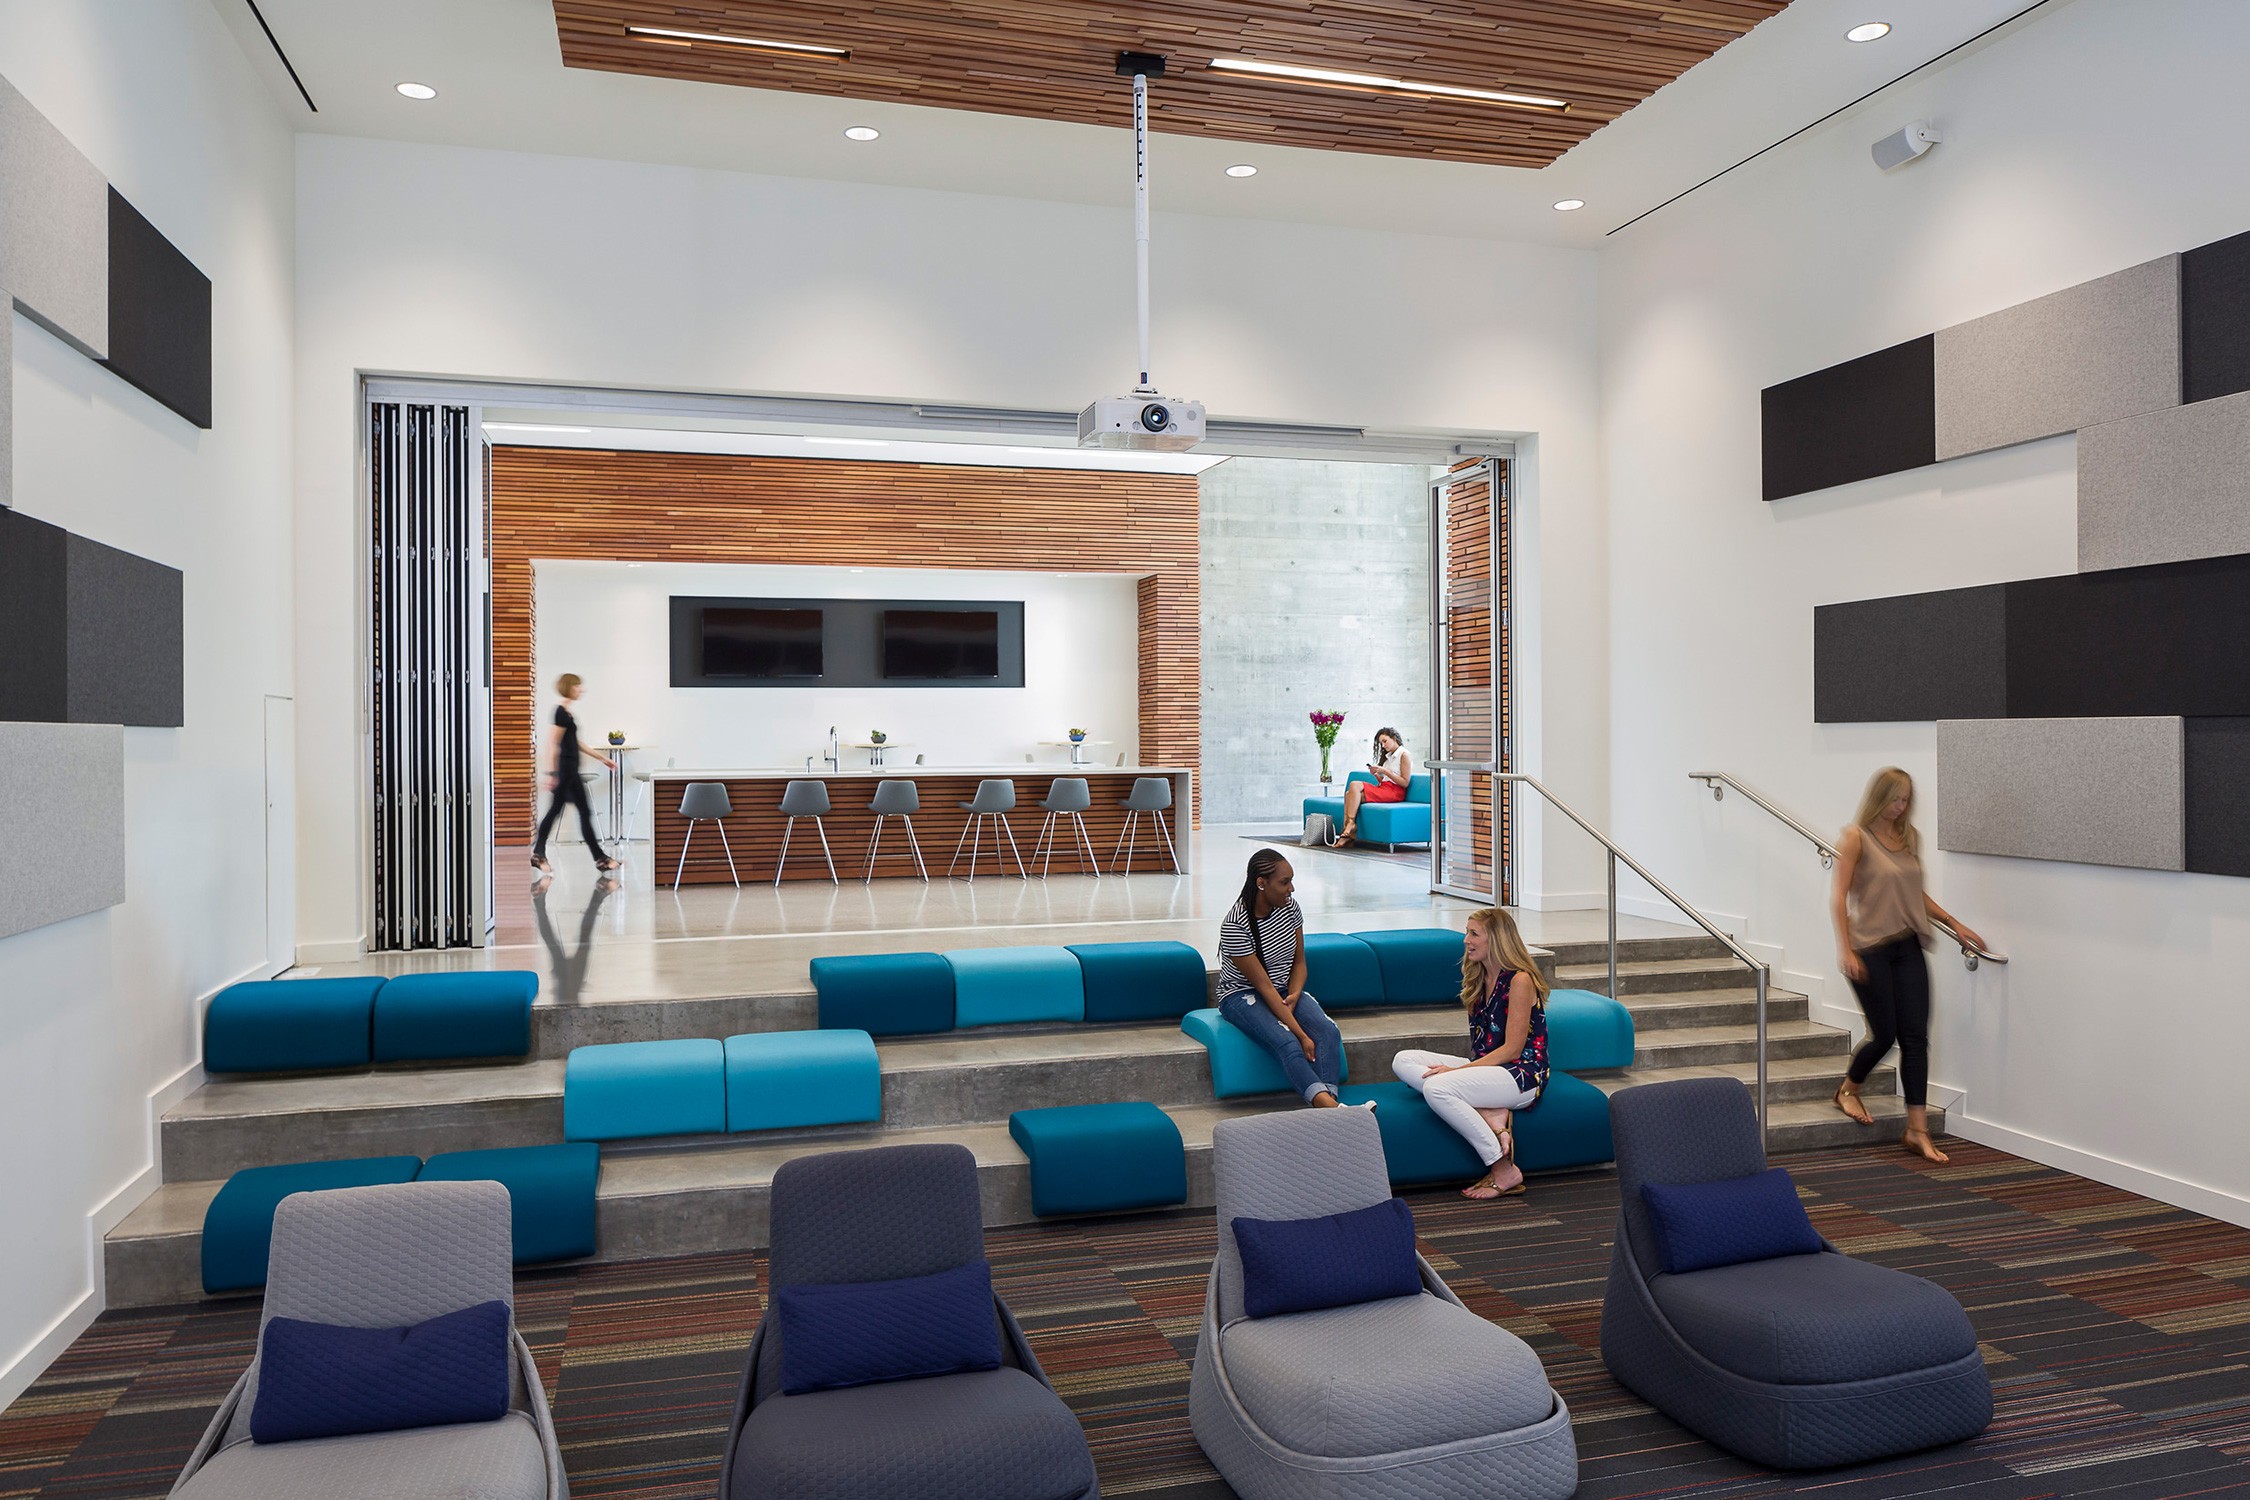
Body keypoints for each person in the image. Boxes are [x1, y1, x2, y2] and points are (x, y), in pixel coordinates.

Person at [1830, 766, 1986, 1165]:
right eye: (1896, 798)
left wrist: (1954, 923)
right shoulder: (1855, 837)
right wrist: (1845, 949)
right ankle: (1848, 1089)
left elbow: (1915, 895)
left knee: (1915, 1037)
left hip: (1907, 945)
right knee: (1884, 1035)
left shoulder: (1907, 837)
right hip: (1868, 947)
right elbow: (1838, 897)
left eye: (1906, 799)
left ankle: (1916, 1130)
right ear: (1880, 797)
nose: (1902, 806)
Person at [1392, 908, 1547, 1199]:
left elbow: (1512, 1049)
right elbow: (1482, 1047)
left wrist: (1457, 1074)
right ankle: (1489, 1111)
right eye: (1467, 932)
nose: (1466, 940)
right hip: (1487, 1068)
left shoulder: (1520, 980)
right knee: (1403, 1059)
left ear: (1497, 940)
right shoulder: (1477, 975)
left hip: (1521, 1074)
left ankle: (1503, 1167)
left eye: (1474, 933)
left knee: (1437, 1088)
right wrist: (1466, 1073)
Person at [1217, 849, 1365, 1110]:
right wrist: (1300, 1033)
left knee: (1328, 1031)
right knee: (1288, 1042)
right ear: (1261, 884)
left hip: (1284, 989)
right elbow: (1262, 986)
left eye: (1291, 880)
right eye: (1284, 882)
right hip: (1241, 994)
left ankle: (1329, 1105)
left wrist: (1295, 995)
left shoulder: (1290, 909)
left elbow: (1299, 962)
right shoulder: (1235, 925)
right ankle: (1332, 1111)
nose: (1291, 888)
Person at [531, 673, 624, 876]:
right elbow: (553, 743)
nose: (580, 690)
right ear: (568, 687)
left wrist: (602, 758)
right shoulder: (560, 713)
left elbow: (576, 743)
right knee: (574, 812)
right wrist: (551, 774)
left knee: (561, 811)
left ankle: (540, 853)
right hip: (565, 772)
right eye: (577, 686)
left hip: (570, 771)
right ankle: (599, 859)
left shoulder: (567, 713)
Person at [1332, 727, 1412, 847]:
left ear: (1394, 738)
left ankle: (1350, 827)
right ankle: (1348, 833)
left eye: (1385, 741)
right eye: (1381, 743)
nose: (1383, 745)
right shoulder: (1389, 757)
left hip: (1395, 792)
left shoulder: (1404, 754)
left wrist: (1385, 771)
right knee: (1350, 794)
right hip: (1385, 788)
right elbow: (1385, 781)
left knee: (1354, 784)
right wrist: (1377, 775)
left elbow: (1405, 782)